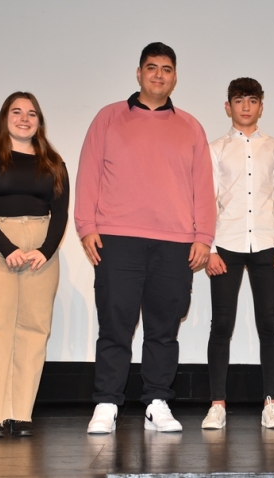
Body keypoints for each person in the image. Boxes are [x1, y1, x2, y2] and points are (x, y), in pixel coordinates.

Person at [74, 42, 216, 434]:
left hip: (175, 243)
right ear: (138, 73)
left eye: (166, 69)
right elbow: (87, 173)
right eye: (151, 68)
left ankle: (157, 402)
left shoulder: (190, 126)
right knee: (115, 325)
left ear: (174, 76)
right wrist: (86, 226)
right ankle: (106, 403)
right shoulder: (108, 118)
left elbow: (203, 186)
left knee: (163, 328)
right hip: (117, 239)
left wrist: (203, 235)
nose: (158, 75)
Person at [0, 92, 69, 438]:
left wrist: (46, 249)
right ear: (4, 118)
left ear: (39, 122)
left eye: (32, 113)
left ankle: (19, 413)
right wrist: (8, 247)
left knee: (34, 330)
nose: (24, 118)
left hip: (41, 249)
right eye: (17, 112)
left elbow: (61, 211)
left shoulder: (53, 162)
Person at [202, 77, 274, 430]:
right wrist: (209, 248)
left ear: (261, 106)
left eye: (252, 100)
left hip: (268, 245)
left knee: (269, 325)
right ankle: (217, 404)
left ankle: (271, 403)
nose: (245, 106)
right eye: (239, 100)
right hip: (225, 245)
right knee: (221, 326)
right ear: (228, 107)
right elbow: (206, 200)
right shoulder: (214, 149)